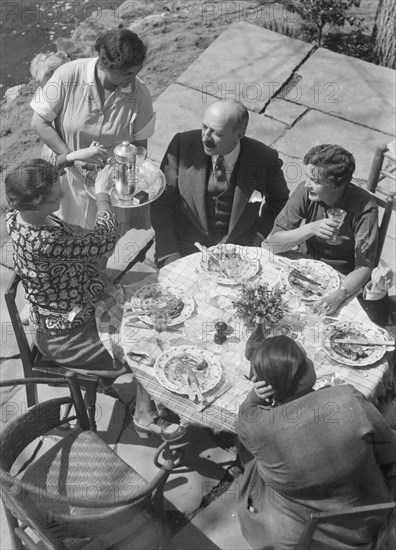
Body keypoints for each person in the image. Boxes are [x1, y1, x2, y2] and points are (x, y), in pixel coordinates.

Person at [5, 159, 185, 442]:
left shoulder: (15, 214)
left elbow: (35, 180)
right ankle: (144, 414)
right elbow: (105, 238)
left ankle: (151, 396)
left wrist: (71, 159)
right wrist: (102, 194)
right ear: (37, 201)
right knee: (149, 340)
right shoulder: (48, 241)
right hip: (70, 337)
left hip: (76, 304)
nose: (63, 195)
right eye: (56, 194)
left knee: (156, 303)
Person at [235, 336, 396, 550]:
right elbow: (389, 452)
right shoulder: (346, 398)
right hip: (370, 515)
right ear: (301, 379)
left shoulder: (256, 428)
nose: (311, 360)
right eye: (306, 358)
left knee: (251, 461)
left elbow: (245, 415)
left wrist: (254, 397)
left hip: (309, 529)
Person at [30, 28, 155, 234]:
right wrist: (72, 157)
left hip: (109, 184)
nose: (133, 80)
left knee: (105, 243)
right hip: (65, 179)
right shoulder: (67, 74)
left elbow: (140, 146)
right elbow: (39, 122)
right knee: (63, 238)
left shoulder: (140, 94)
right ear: (105, 64)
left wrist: (126, 175)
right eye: (127, 73)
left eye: (137, 72)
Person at [150, 99, 289, 266]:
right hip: (185, 248)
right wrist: (171, 255)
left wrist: (259, 237)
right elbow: (162, 203)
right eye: (204, 127)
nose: (206, 138)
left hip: (239, 252)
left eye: (217, 133)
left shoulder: (264, 159)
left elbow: (279, 201)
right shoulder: (182, 145)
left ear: (239, 134)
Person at [267, 144, 379, 315]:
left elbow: (364, 266)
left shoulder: (364, 207)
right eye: (307, 177)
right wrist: (310, 228)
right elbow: (271, 245)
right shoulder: (305, 193)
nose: (307, 185)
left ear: (338, 185)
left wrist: (338, 296)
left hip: (342, 280)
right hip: (302, 268)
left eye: (315, 181)